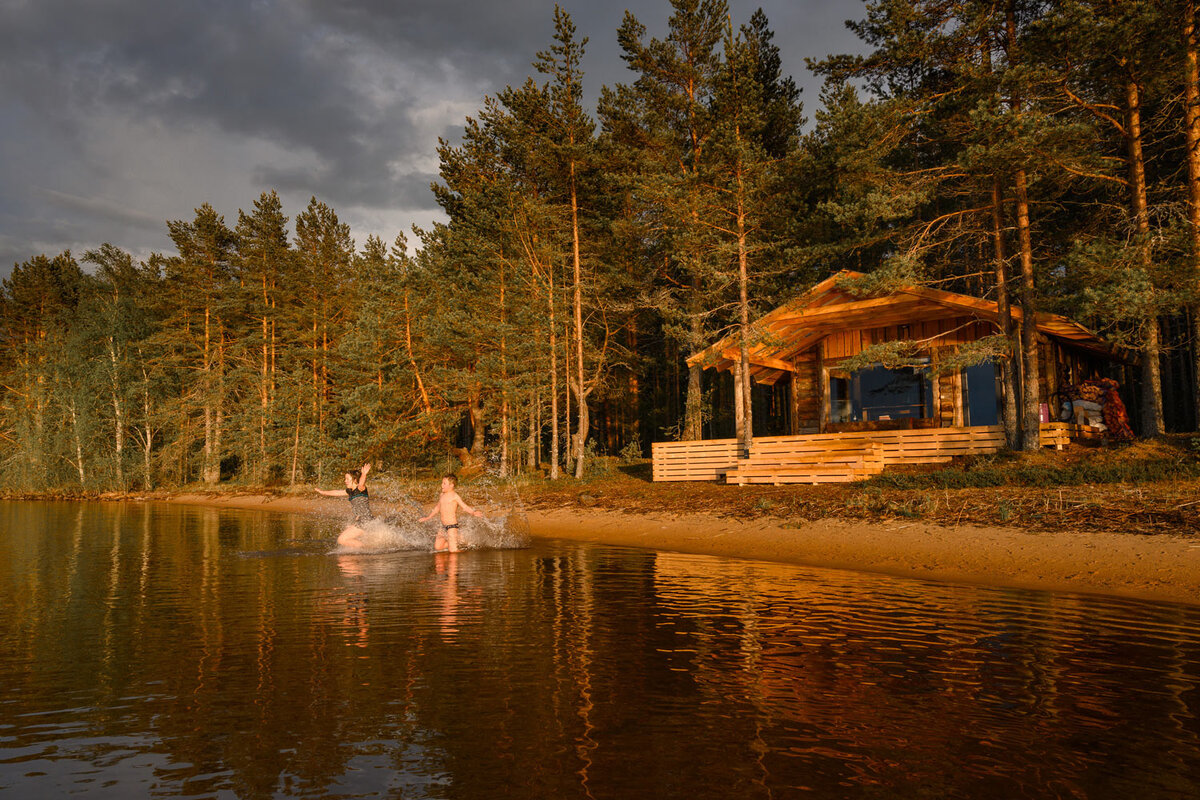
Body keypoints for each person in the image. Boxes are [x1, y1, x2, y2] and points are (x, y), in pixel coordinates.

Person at [418, 474, 483, 553]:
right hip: (443, 527)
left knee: (453, 551)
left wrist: (473, 512)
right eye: (442, 483)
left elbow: (464, 507)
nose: (442, 485)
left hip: (452, 527)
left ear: (451, 485)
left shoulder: (455, 496)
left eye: (444, 483)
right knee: (438, 547)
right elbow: (437, 508)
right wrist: (428, 517)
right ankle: (457, 540)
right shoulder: (442, 495)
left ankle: (465, 552)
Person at [315, 462, 373, 548]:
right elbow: (336, 492)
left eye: (347, 479)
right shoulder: (350, 491)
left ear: (354, 480)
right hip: (361, 520)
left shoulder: (360, 488)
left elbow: (361, 483)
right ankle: (360, 555)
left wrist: (364, 474)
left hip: (365, 521)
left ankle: (367, 550)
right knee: (347, 535)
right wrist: (323, 492)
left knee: (342, 540)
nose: (345, 481)